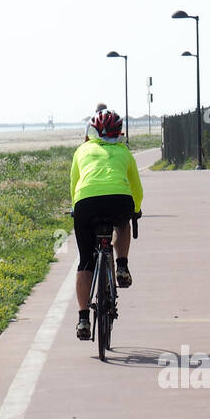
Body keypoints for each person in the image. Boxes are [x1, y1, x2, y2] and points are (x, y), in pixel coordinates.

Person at [69, 108, 143, 341]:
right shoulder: (125, 153)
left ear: (92, 131)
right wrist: (136, 210)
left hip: (86, 203)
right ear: (119, 133)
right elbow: (136, 189)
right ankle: (121, 265)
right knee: (123, 223)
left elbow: (74, 184)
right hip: (119, 201)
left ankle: (83, 319)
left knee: (85, 262)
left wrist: (75, 209)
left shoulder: (82, 150)